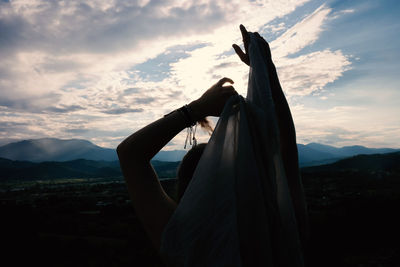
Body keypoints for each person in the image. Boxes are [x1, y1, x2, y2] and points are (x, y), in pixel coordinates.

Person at [117, 24, 308, 257]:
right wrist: (265, 70)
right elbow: (285, 146)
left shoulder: (186, 243)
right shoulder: (278, 227)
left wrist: (197, 108)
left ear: (187, 186)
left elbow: (130, 154)